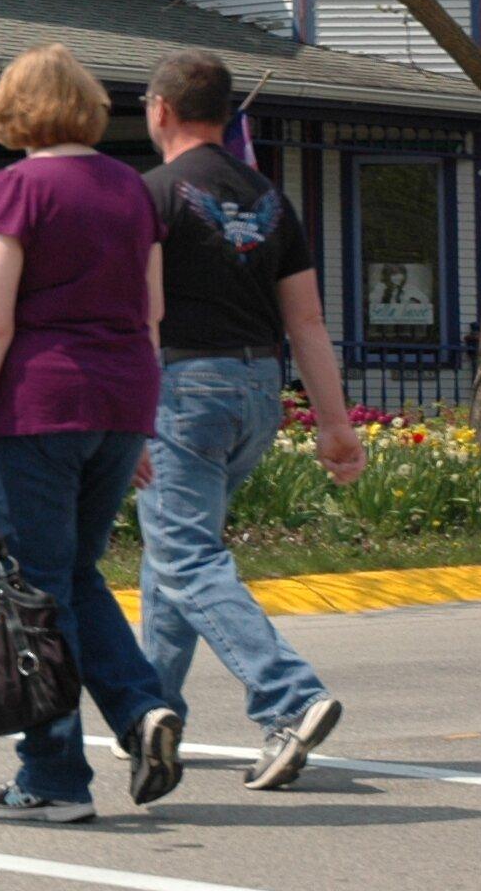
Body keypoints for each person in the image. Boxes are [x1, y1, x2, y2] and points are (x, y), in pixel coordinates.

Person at [0, 43, 183, 824]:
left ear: (15, 113)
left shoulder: (12, 191)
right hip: (122, 399)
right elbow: (150, 314)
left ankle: (52, 776)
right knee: (73, 572)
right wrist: (138, 429)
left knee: (33, 591)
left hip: (38, 403)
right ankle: (142, 708)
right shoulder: (130, 191)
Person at [137, 50, 366, 790]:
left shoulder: (153, 196)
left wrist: (130, 409)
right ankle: (148, 713)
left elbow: (147, 317)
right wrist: (334, 424)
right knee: (173, 551)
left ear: (162, 110)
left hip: (184, 386)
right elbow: (307, 321)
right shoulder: (271, 199)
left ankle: (288, 697)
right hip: (258, 387)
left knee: (186, 556)